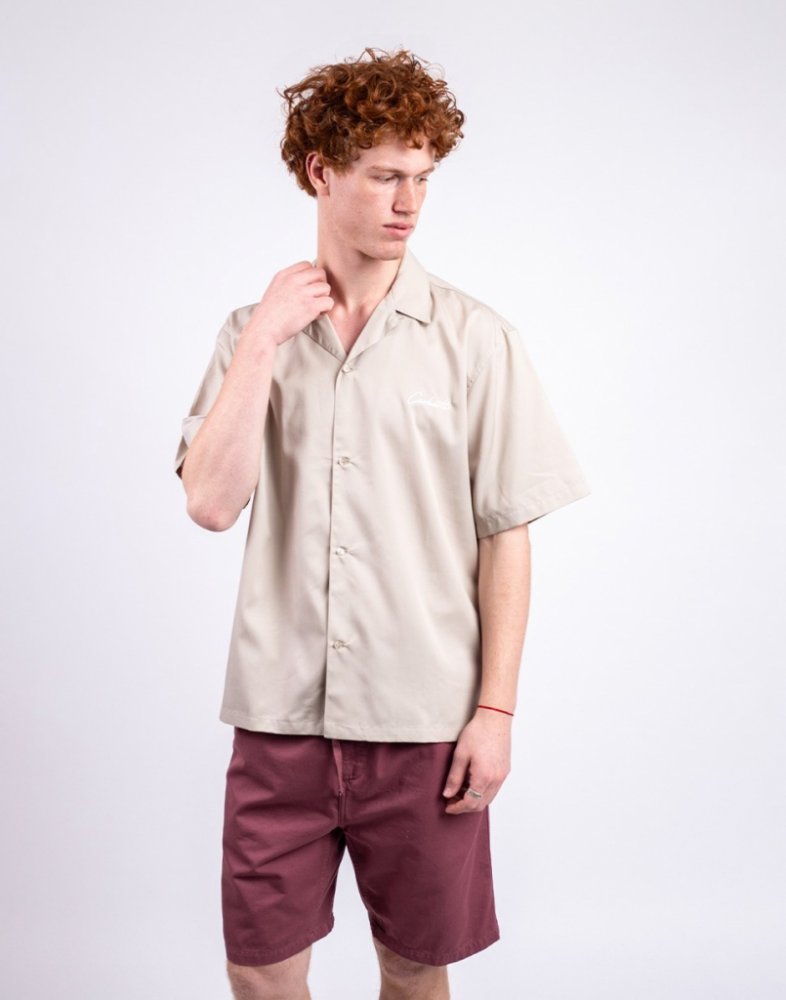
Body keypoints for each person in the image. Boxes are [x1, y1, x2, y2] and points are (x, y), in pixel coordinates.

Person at [174, 45, 591, 1000]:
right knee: (260, 973)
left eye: (423, 178)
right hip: (279, 720)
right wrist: (266, 339)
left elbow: (506, 537)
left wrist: (495, 714)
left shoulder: (476, 340)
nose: (410, 202)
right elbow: (210, 502)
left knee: (412, 971)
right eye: (385, 176)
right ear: (320, 172)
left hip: (424, 726)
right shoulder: (249, 335)